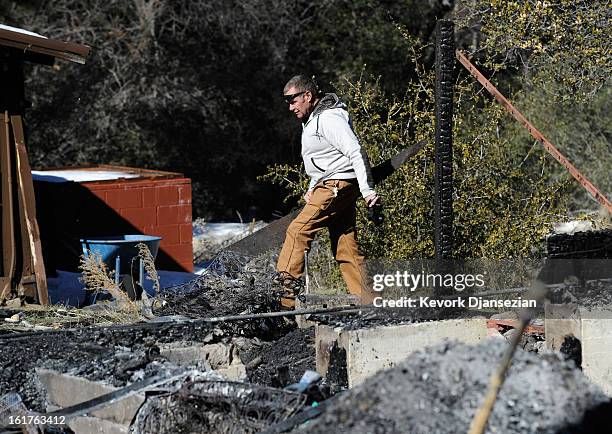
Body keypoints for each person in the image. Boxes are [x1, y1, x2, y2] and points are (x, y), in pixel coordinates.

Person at [275, 75, 379, 305]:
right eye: (287, 102)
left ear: (308, 96)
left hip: (336, 186)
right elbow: (327, 159)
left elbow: (355, 151)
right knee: (345, 246)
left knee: (298, 231)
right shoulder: (315, 119)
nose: (290, 107)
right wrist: (313, 186)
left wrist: (368, 190)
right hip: (334, 185)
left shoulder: (329, 118)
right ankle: (371, 304)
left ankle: (283, 302)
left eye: (293, 100)